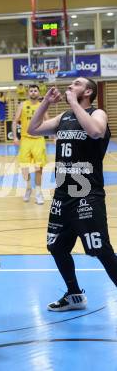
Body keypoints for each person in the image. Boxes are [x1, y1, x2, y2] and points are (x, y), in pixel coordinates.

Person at [28, 77, 117, 311]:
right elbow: (33, 129)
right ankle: (74, 294)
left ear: (88, 91)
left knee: (101, 249)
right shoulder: (64, 117)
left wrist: (74, 104)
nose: (70, 86)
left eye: (76, 84)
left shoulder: (98, 114)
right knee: (57, 247)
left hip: (87, 194)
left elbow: (96, 132)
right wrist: (46, 102)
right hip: (62, 194)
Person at [12, 84, 46, 205]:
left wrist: (55, 136)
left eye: (35, 91)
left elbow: (48, 121)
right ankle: (28, 188)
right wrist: (15, 136)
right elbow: (15, 121)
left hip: (38, 139)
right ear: (28, 93)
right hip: (25, 139)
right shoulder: (22, 105)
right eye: (31, 91)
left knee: (38, 168)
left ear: (38, 93)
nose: (33, 92)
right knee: (24, 168)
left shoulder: (42, 105)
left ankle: (38, 192)